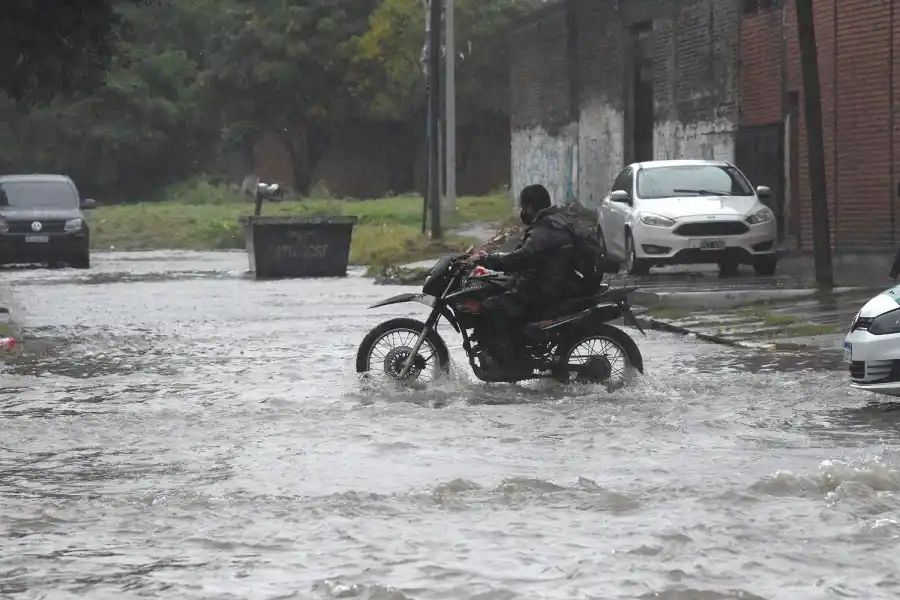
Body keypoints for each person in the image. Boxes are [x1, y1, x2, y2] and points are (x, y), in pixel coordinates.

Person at [466, 184, 580, 372]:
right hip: (550, 284)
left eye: (522, 207)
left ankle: (511, 362)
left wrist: (487, 260)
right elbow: (525, 254)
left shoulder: (544, 229)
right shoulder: (551, 223)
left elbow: (520, 258)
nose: (521, 212)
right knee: (499, 293)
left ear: (529, 207)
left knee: (491, 307)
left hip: (541, 289)